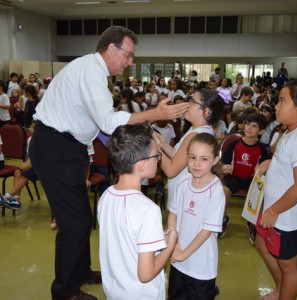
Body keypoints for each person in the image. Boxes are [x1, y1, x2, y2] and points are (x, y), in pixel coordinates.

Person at [29, 25, 188, 300]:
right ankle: (64, 291)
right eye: (128, 55)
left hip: (68, 148)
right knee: (74, 222)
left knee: (80, 218)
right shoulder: (90, 71)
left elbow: (99, 126)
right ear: (112, 48)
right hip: (57, 146)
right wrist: (154, 114)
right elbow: (106, 121)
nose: (130, 62)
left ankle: (80, 272)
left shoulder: (92, 72)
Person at [98, 123, 177, 300]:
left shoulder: (106, 197)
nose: (158, 160)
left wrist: (156, 241)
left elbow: (125, 241)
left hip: (115, 290)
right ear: (141, 164)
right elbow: (146, 274)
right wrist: (170, 245)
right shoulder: (148, 210)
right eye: (156, 155)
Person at [255, 80, 297, 300]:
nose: (276, 106)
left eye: (283, 101)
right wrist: (269, 163)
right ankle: (281, 290)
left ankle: (285, 293)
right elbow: (286, 162)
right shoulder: (289, 132)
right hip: (274, 211)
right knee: (261, 241)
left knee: (289, 265)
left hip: (285, 216)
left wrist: (273, 211)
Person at [168, 133, 225, 300]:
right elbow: (173, 213)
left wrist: (184, 254)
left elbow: (206, 231)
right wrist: (174, 243)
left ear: (215, 159)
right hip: (178, 259)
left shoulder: (215, 190)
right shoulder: (183, 182)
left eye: (204, 159)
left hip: (201, 266)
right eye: (192, 157)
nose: (197, 164)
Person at [155, 89, 224, 208]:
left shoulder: (195, 135)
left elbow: (171, 171)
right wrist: (163, 144)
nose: (187, 104)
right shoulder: (197, 130)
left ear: (205, 112)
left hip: (184, 197)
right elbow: (180, 158)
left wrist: (155, 149)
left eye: (192, 101)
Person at [220, 113, 271, 240]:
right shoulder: (234, 144)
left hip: (251, 180)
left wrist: (262, 172)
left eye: (254, 126)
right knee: (223, 192)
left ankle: (252, 223)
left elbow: (266, 168)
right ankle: (222, 220)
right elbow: (222, 164)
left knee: (261, 195)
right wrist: (224, 168)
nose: (249, 128)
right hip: (233, 178)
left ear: (261, 131)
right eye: (248, 124)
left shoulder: (263, 150)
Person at [0, 121, 37, 210]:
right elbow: (29, 156)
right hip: (32, 165)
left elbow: (43, 158)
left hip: (42, 167)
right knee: (18, 171)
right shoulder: (30, 139)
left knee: (26, 172)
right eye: (30, 127)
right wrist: (25, 163)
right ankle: (16, 200)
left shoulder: (43, 141)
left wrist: (30, 164)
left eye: (32, 128)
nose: (30, 130)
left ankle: (8, 196)